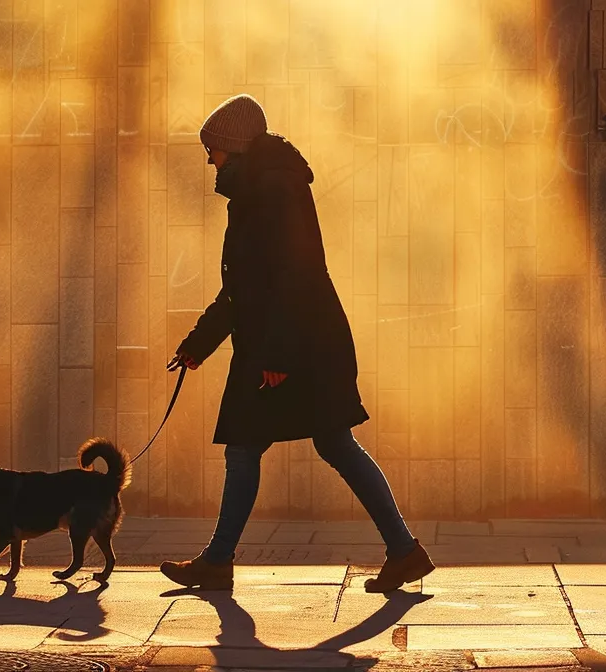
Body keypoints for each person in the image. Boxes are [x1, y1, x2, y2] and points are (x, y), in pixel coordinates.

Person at [160, 93, 433, 593]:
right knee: (317, 443)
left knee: (272, 445)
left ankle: (219, 562)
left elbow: (295, 274)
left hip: (295, 346)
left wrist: (279, 356)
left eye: (213, 149)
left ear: (236, 147)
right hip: (291, 342)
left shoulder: (273, 191)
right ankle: (404, 551)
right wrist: (199, 343)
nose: (209, 159)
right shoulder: (257, 189)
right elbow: (243, 285)